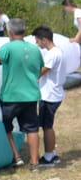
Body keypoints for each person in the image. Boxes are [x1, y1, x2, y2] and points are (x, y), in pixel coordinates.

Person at [0, 19, 43, 168]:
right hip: (30, 95)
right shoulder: (34, 49)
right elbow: (40, 69)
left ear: (10, 32)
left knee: (6, 126)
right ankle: (34, 162)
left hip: (11, 96)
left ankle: (16, 156)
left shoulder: (8, 48)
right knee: (32, 128)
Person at [34, 25, 79, 166]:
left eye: (37, 41)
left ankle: (49, 158)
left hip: (50, 95)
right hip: (54, 93)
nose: (36, 43)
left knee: (47, 126)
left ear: (44, 40)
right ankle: (52, 153)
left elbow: (42, 71)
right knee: (48, 125)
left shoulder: (52, 54)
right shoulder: (59, 51)